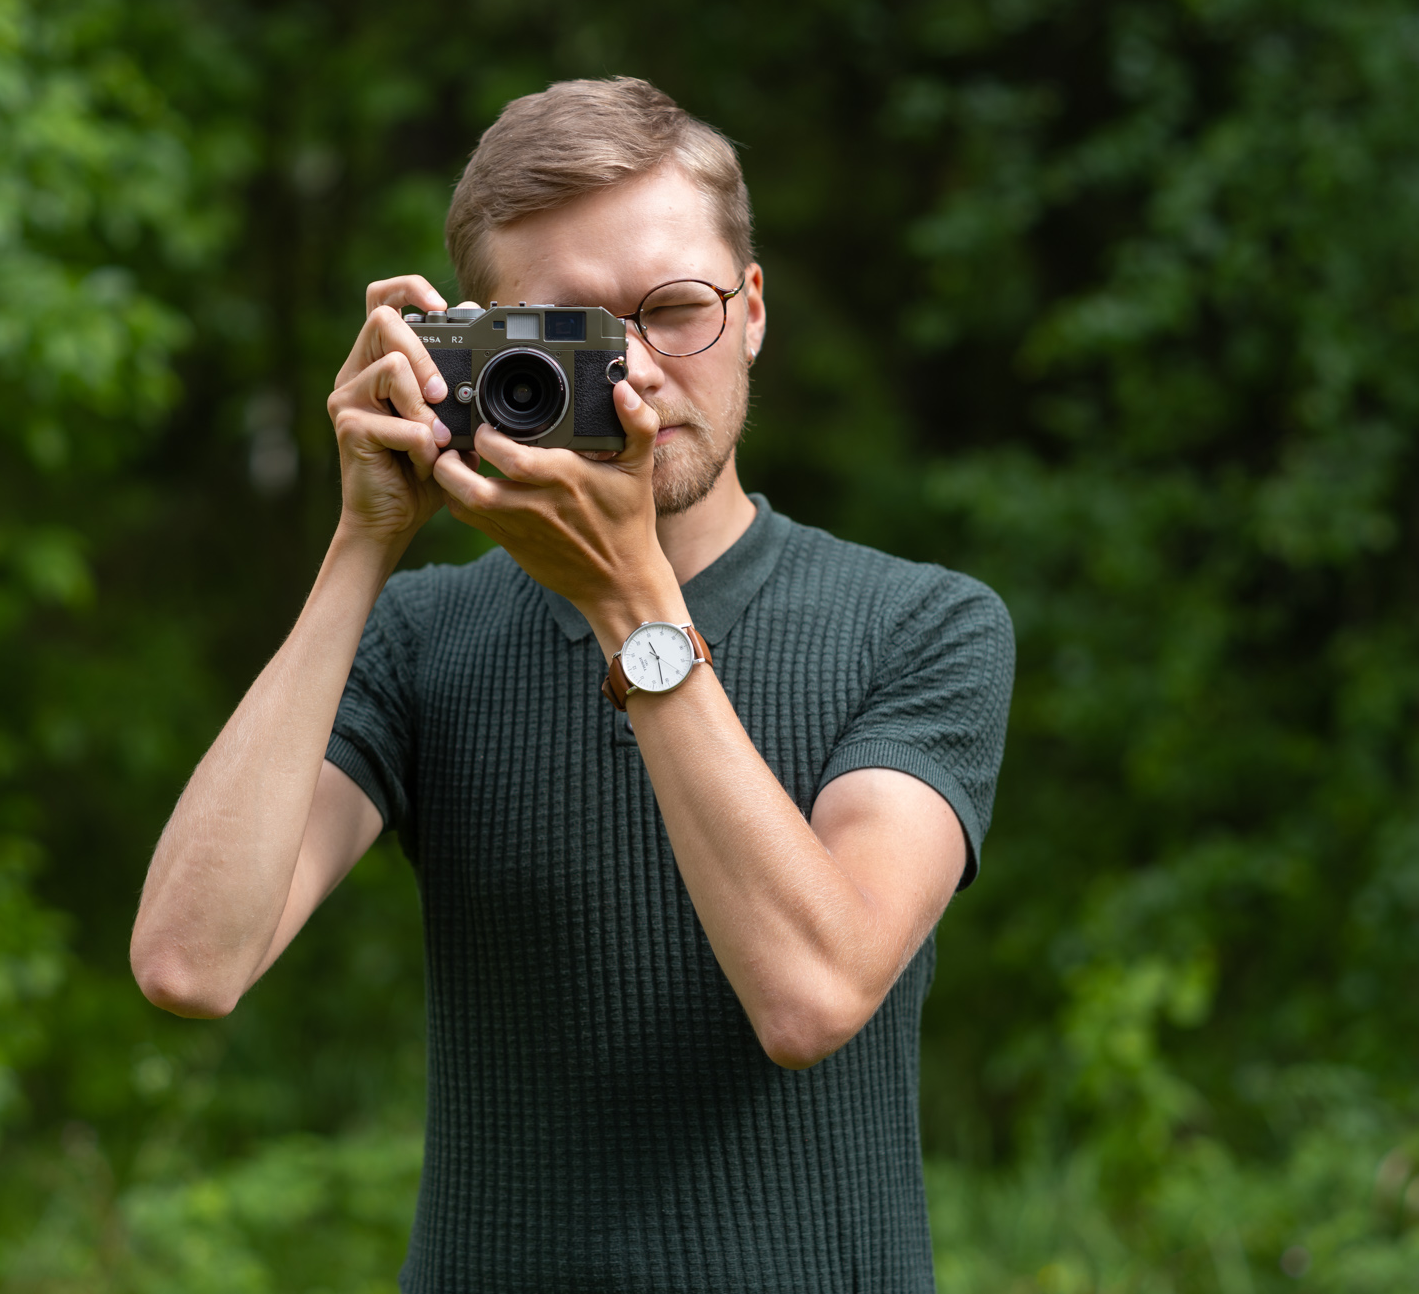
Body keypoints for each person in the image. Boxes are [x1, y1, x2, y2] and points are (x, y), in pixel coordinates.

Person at [130, 76, 1014, 1292]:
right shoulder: (423, 636)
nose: (634, 371)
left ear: (753, 309)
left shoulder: (920, 624)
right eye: (569, 334)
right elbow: (190, 960)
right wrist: (362, 543)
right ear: (475, 357)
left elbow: (810, 996)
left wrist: (626, 601)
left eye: (674, 309)